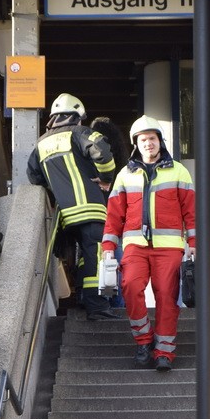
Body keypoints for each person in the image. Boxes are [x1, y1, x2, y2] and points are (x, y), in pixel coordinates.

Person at [101, 115, 196, 371]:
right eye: (143, 140)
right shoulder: (124, 175)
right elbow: (113, 216)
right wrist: (108, 247)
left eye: (152, 139)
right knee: (130, 287)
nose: (148, 144)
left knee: (166, 297)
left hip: (169, 248)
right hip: (135, 247)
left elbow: (191, 212)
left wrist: (194, 242)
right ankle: (144, 341)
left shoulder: (179, 171)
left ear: (159, 141)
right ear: (136, 144)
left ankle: (164, 351)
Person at [27, 93, 120, 321]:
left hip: (65, 216)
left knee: (81, 256)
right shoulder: (81, 133)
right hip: (90, 208)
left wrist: (57, 190)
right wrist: (106, 177)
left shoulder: (40, 143)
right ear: (77, 116)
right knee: (95, 254)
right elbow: (102, 151)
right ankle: (96, 306)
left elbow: (33, 176)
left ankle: (81, 298)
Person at [90, 116, 129, 308]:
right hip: (119, 220)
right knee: (117, 262)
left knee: (96, 261)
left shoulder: (93, 160)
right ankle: (119, 306)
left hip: (96, 217)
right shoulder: (124, 166)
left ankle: (99, 303)